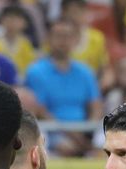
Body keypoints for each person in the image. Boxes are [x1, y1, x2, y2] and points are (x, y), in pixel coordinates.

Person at [24, 18, 102, 156]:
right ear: (49, 39)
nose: (63, 41)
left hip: (84, 130)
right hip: (52, 130)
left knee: (106, 144)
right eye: (58, 36)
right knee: (65, 146)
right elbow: (40, 111)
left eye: (67, 36)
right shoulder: (36, 71)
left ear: (75, 39)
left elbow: (95, 106)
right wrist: (75, 136)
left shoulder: (85, 72)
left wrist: (89, 131)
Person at [61, 0, 112, 87]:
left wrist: (100, 86)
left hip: (91, 86)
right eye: (71, 12)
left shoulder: (97, 38)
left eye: (78, 12)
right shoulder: (57, 36)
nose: (74, 17)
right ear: (63, 13)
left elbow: (106, 69)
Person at [0, 4, 41, 73]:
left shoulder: (26, 44)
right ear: (2, 21)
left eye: (15, 20)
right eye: (8, 20)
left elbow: (31, 66)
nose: (11, 24)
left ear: (23, 23)